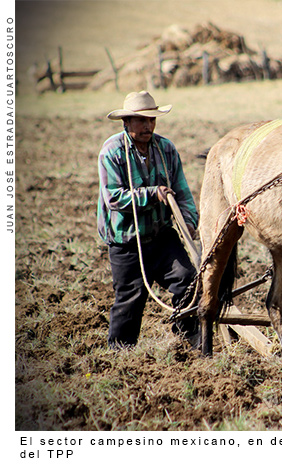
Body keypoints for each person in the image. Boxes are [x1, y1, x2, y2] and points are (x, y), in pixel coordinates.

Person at [97, 90, 200, 348]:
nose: (148, 125)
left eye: (152, 120)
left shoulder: (166, 149)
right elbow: (115, 198)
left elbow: (183, 191)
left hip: (163, 236)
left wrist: (189, 221)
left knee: (188, 280)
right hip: (127, 241)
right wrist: (153, 194)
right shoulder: (112, 152)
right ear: (126, 122)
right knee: (130, 299)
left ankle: (188, 341)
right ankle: (120, 354)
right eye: (141, 120)